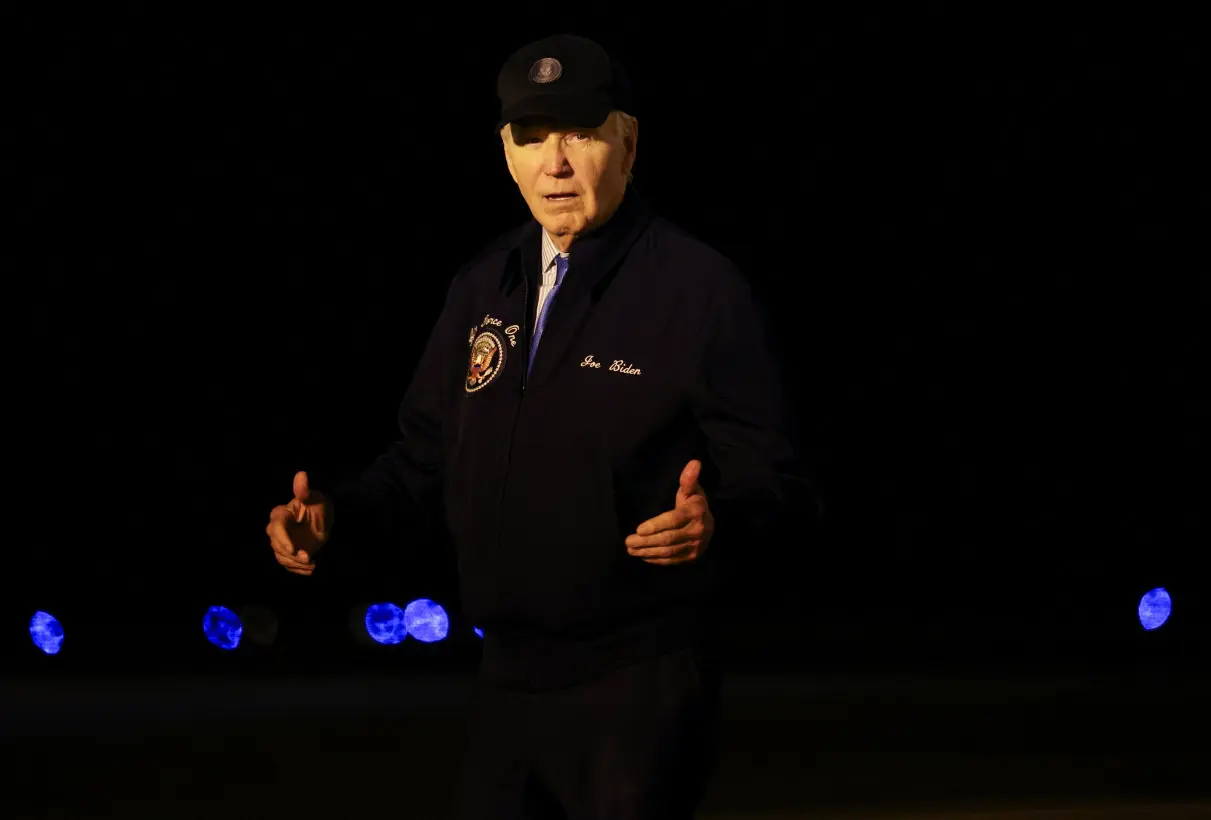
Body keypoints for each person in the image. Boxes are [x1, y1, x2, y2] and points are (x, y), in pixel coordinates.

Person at [265, 33, 822, 819]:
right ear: (505, 152)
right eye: (533, 137)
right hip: (505, 684)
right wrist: (335, 516)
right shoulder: (480, 287)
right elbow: (423, 460)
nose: (554, 163)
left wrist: (719, 525)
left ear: (628, 142)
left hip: (640, 684)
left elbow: (785, 489)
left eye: (582, 134)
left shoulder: (701, 292)